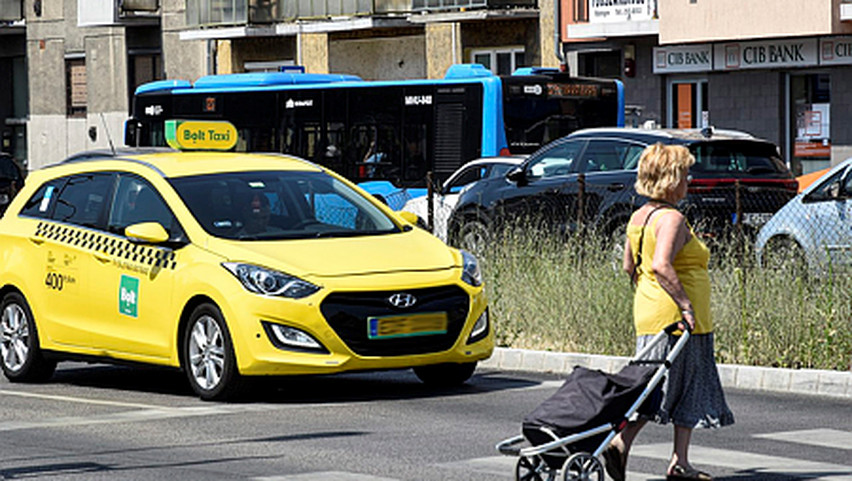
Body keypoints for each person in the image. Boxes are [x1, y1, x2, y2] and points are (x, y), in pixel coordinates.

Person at [605, 143, 734, 481]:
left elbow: (629, 266)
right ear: (669, 179)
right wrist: (686, 305)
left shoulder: (640, 215)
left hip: (651, 312)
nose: (688, 182)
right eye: (685, 175)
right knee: (667, 388)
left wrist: (649, 293)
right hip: (680, 318)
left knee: (655, 385)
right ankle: (622, 442)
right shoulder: (673, 218)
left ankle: (680, 462)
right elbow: (662, 265)